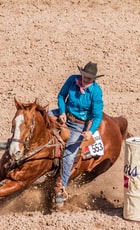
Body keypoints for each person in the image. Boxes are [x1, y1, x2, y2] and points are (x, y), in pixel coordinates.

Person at [51, 61, 104, 207]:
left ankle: (61, 188)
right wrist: (62, 111)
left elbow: (97, 115)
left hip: (78, 124)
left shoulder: (96, 92)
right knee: (38, 120)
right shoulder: (71, 80)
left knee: (69, 154)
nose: (85, 79)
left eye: (89, 78)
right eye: (84, 76)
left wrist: (89, 131)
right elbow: (61, 96)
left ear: (93, 79)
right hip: (64, 114)